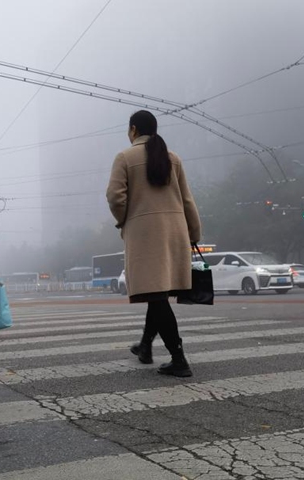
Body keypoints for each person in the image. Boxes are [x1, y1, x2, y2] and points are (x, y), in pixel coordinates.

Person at [106, 110, 201, 378]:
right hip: (175, 234)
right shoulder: (173, 158)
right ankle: (146, 346)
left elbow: (115, 197)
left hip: (145, 236)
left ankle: (179, 359)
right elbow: (187, 201)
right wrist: (194, 233)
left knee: (156, 296)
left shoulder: (125, 157)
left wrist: (125, 220)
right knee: (156, 293)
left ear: (133, 130)